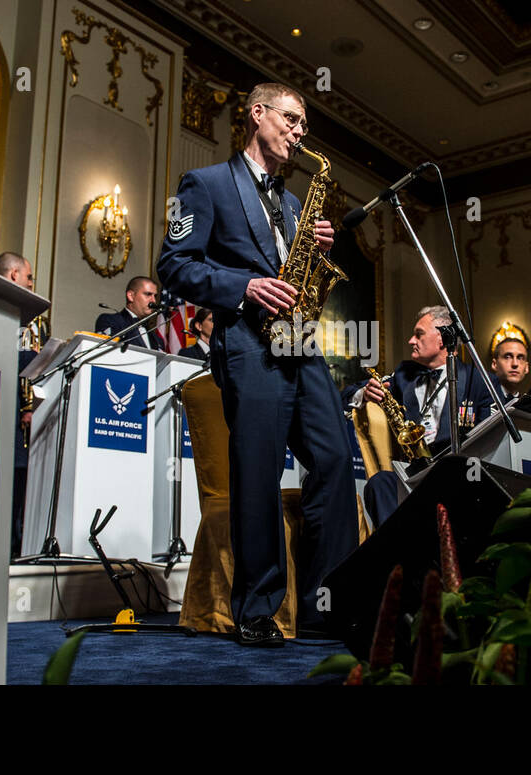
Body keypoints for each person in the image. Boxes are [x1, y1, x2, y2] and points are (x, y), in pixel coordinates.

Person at [156, 82, 356, 647]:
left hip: (301, 345)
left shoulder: (293, 204)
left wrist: (313, 249)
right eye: (290, 120)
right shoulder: (204, 184)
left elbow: (294, 272)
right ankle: (257, 609)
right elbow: (173, 265)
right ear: (256, 114)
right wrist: (243, 286)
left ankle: (327, 602)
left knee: (337, 460)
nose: (298, 132)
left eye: (302, 126)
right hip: (247, 344)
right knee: (260, 474)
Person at [342, 305, 494, 527]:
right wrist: (364, 393)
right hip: (412, 475)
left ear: (442, 339)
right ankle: (398, 557)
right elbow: (347, 394)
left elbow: (493, 435)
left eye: (419, 334)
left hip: (458, 474)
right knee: (379, 483)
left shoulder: (478, 380)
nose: (411, 341)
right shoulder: (405, 374)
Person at [0, 251, 36, 558]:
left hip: (21, 430)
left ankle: (14, 549)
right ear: (13, 276)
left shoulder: (33, 321)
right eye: (29, 277)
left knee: (19, 490)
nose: (32, 283)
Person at [94, 276, 167, 351]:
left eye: (155, 296)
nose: (153, 300)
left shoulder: (157, 340)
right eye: (148, 294)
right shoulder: (111, 321)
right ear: (131, 296)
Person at [488, 337, 529, 401]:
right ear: (494, 364)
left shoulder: (529, 405)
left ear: (526, 367)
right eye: (507, 357)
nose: (515, 364)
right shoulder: (481, 399)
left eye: (520, 358)